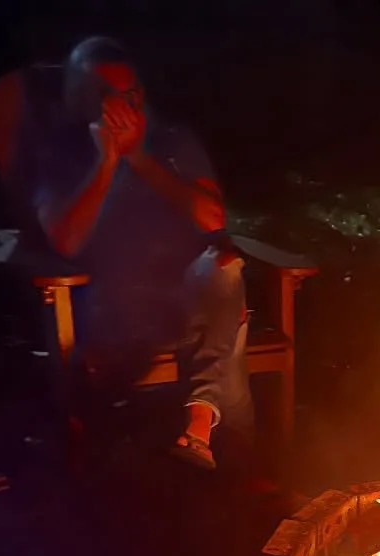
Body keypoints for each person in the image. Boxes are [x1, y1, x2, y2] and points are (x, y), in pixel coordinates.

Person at [24, 37, 252, 472]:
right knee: (228, 336)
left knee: (223, 272)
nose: (121, 106)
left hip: (190, 294)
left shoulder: (171, 141)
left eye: (129, 94)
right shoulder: (61, 153)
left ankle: (201, 431)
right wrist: (107, 164)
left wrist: (140, 159)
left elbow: (212, 217)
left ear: (140, 96)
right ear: (80, 99)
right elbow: (66, 240)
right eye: (105, 95)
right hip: (118, 308)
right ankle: (240, 469)